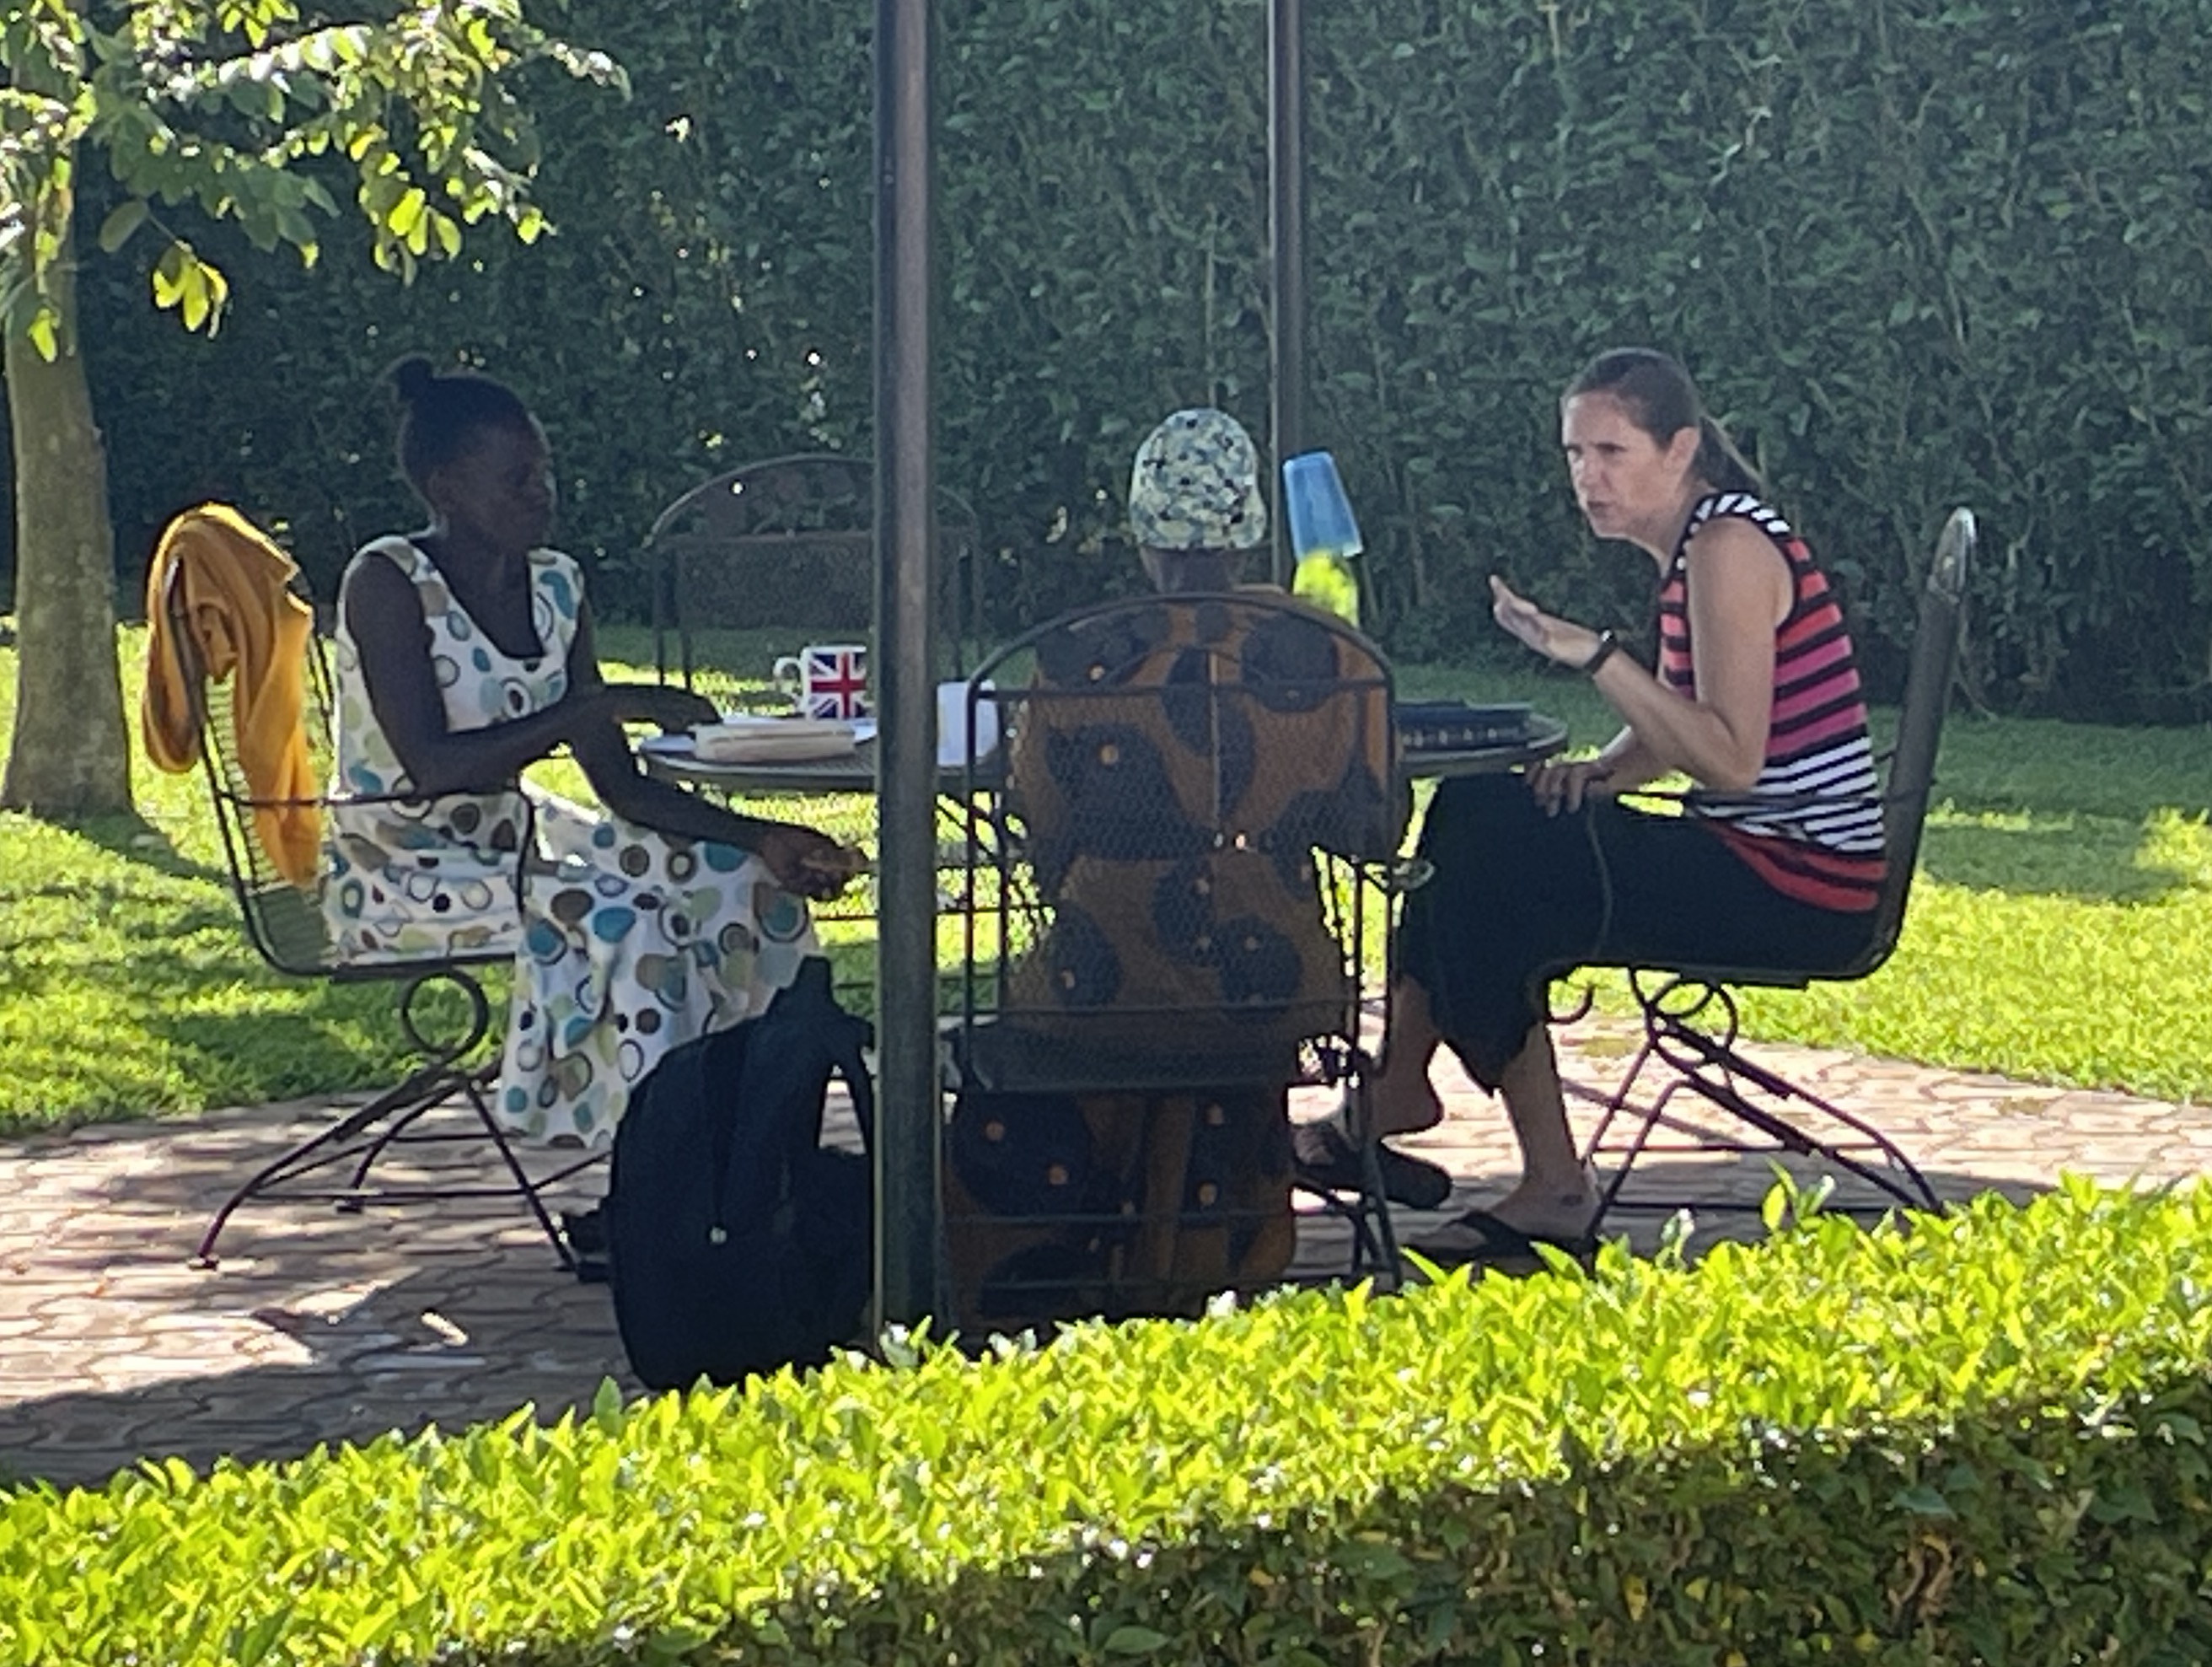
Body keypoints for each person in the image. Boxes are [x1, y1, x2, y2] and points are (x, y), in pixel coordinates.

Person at [1364, 347, 1887, 1256]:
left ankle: (1532, 1172)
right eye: (1575, 454)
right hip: (1769, 861)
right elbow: (1682, 721)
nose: (1587, 477)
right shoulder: (1697, 544)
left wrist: (1598, 657)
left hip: (1800, 886)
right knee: (1476, 819)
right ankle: (1404, 1090)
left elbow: (1729, 759)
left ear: (1680, 448)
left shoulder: (1727, 548)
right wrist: (1601, 773)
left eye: (1610, 452)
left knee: (1486, 847)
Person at [324, 356, 864, 1148]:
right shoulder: (387, 581)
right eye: (516, 479)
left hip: (519, 846)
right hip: (401, 867)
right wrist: (594, 707)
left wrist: (760, 837)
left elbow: (620, 786)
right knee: (630, 922)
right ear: (446, 490)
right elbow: (431, 768)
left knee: (744, 885)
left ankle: (760, 1147)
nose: (541, 492)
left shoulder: (557, 586)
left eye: (544, 472)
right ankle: (653, 1168)